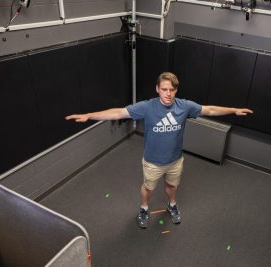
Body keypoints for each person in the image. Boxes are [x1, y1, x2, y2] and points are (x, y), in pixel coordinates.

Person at [66, 72, 253, 229]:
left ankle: (172, 205)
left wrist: (233, 110)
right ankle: (144, 208)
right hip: (152, 162)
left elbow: (210, 110)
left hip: (175, 160)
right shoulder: (147, 107)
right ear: (157, 89)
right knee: (148, 188)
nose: (168, 93)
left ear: (176, 90)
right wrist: (89, 115)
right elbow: (118, 112)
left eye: (172, 90)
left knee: (172, 186)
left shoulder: (184, 106)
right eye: (164, 89)